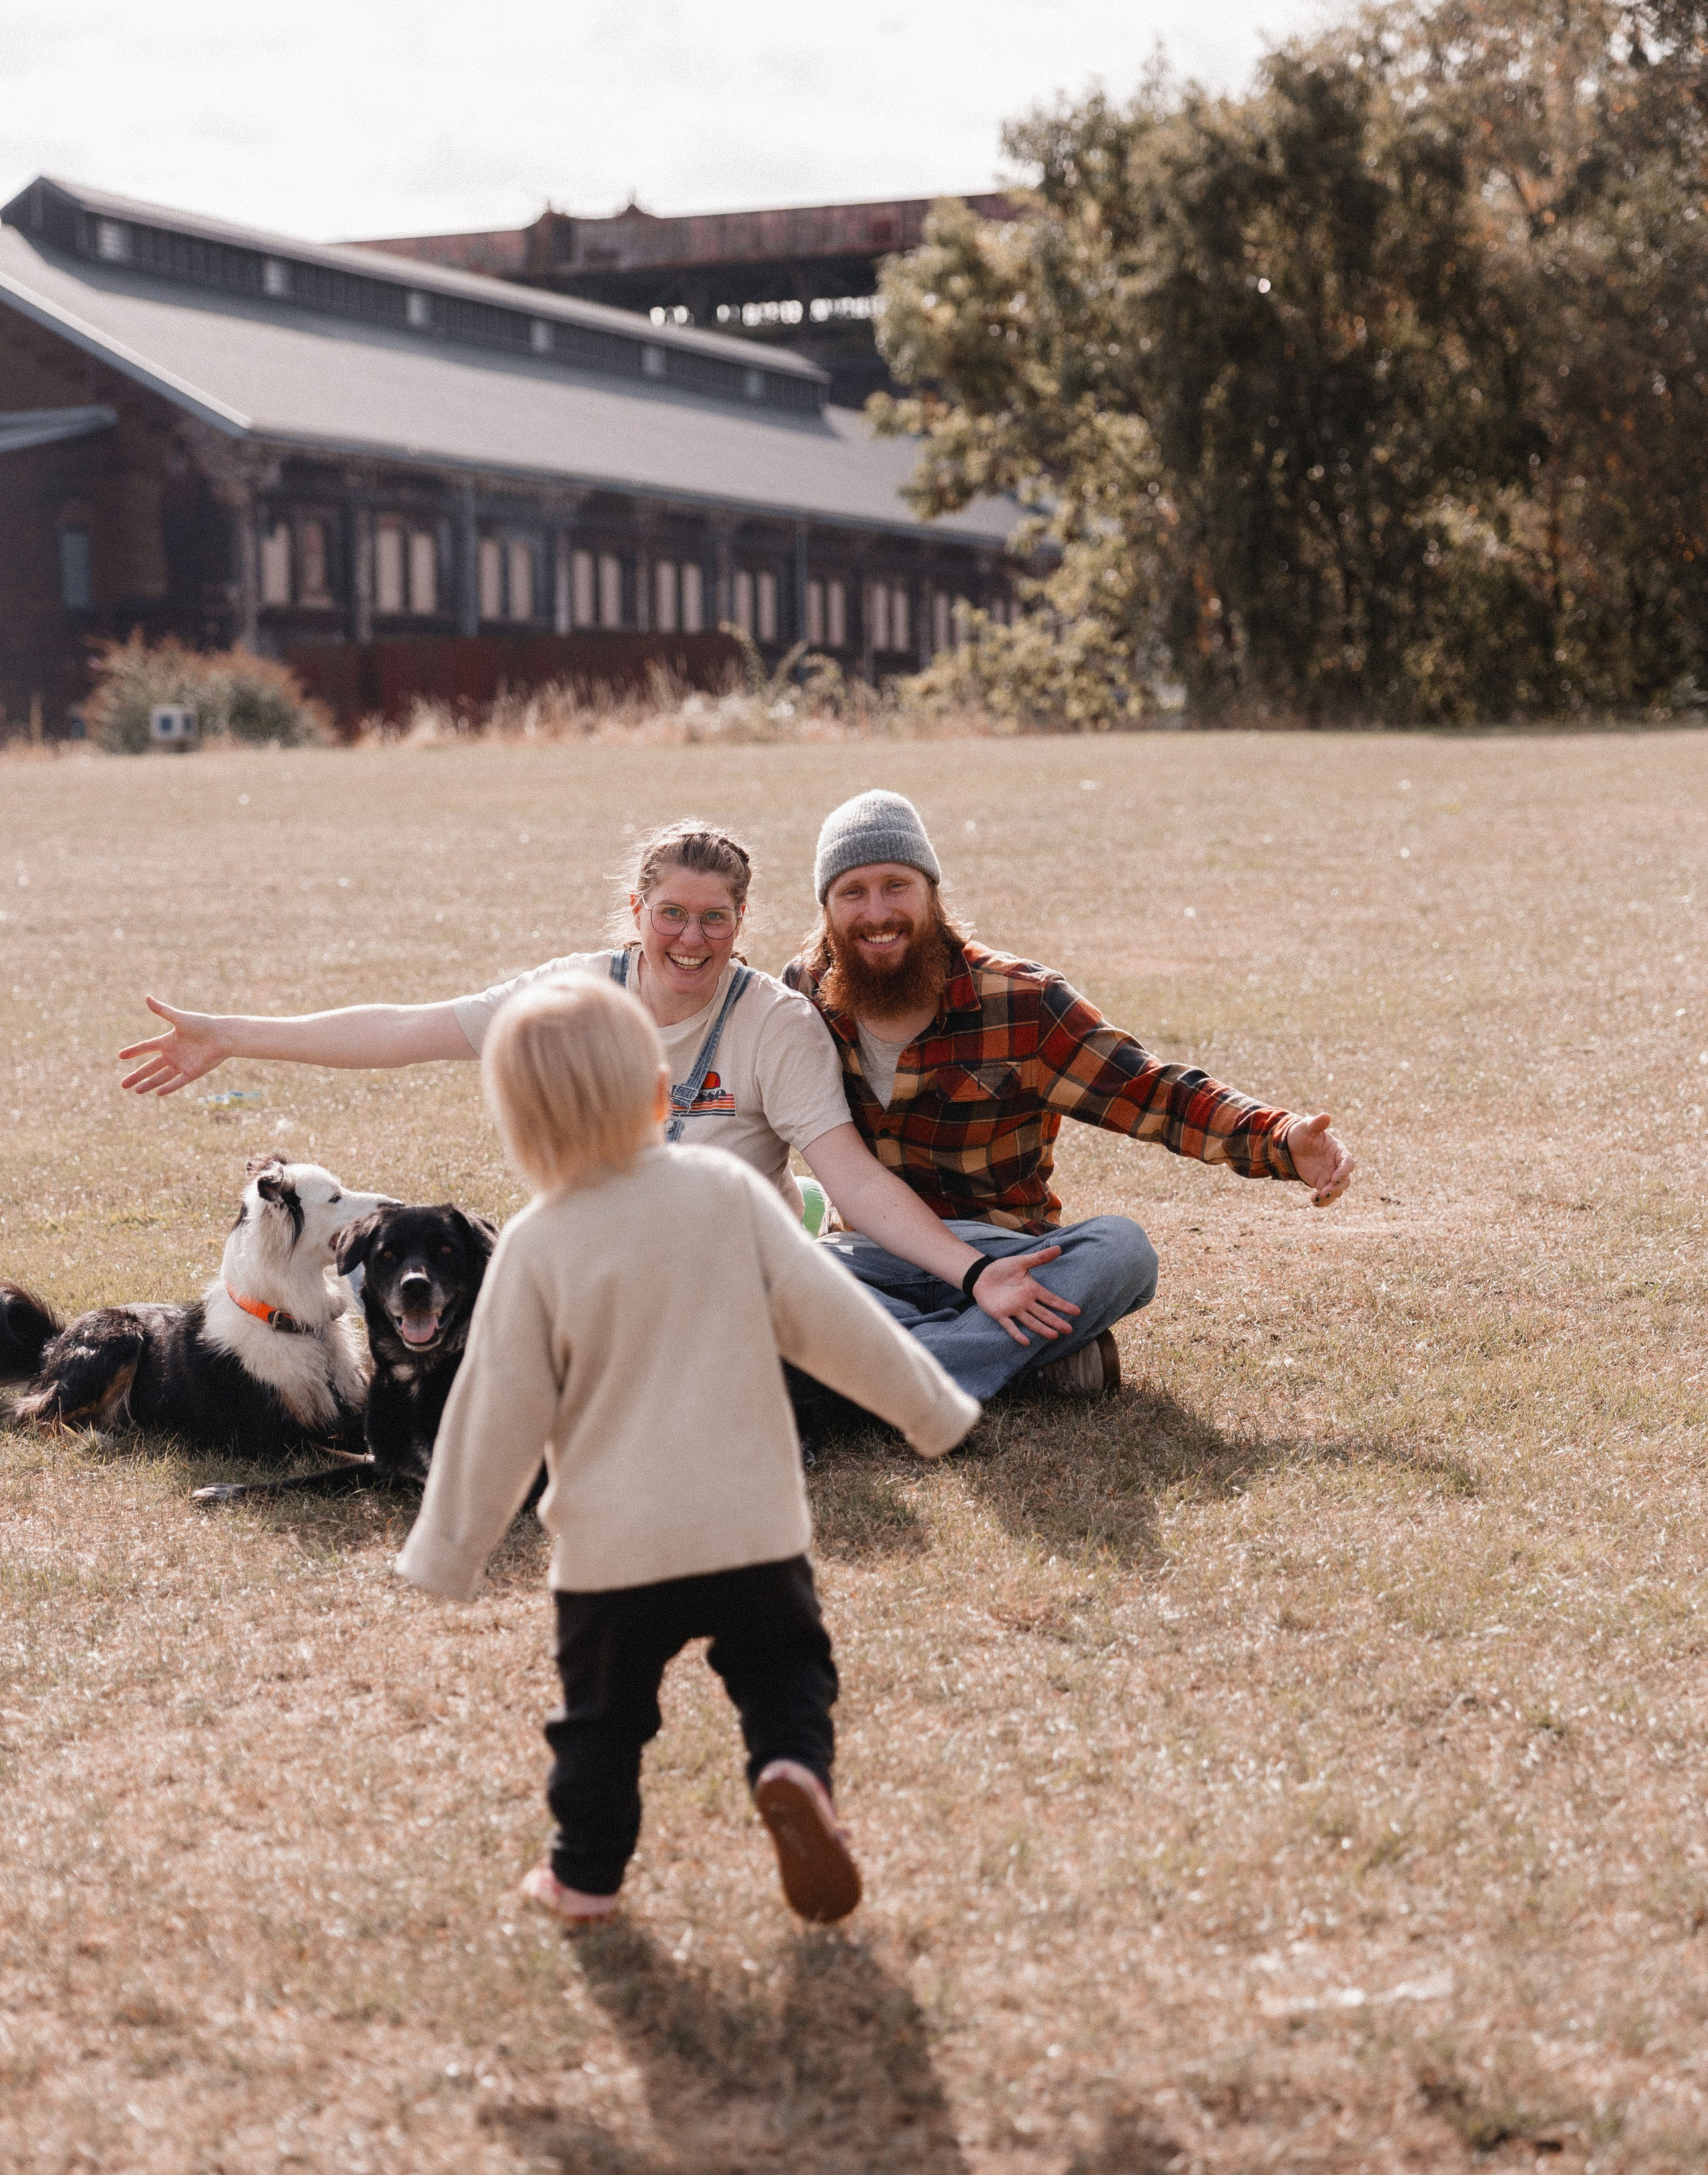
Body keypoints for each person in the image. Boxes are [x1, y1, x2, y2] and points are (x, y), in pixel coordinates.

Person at [396, 972, 979, 1927]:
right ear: (659, 1091)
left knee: (604, 1723)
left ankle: (583, 1879)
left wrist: (449, 1550)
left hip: (613, 1552)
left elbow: (495, 1408)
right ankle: (791, 1767)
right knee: (786, 1671)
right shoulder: (725, 1190)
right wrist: (931, 1410)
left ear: (520, 1124)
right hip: (752, 1525)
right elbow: (832, 1318)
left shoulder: (537, 1245)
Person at [117, 820, 1083, 1386]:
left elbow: (852, 1181)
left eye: (715, 918)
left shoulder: (776, 1024)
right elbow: (400, 1031)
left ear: (742, 922)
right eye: (672, 913)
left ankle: (898, 1352)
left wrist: (971, 1275)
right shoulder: (577, 994)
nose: (692, 938)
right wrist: (233, 1034)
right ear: (638, 912)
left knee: (1112, 1254)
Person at [784, 789, 1356, 1403]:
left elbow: (1153, 1092)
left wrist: (1278, 1139)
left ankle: (879, 1377)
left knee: (1122, 1250)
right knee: (767, 1281)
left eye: (896, 885)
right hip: (871, 1261)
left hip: (1009, 1255)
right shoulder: (801, 996)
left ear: (931, 892)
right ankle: (1019, 1361)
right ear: (827, 909)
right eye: (853, 892)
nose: (877, 913)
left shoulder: (1024, 1002)